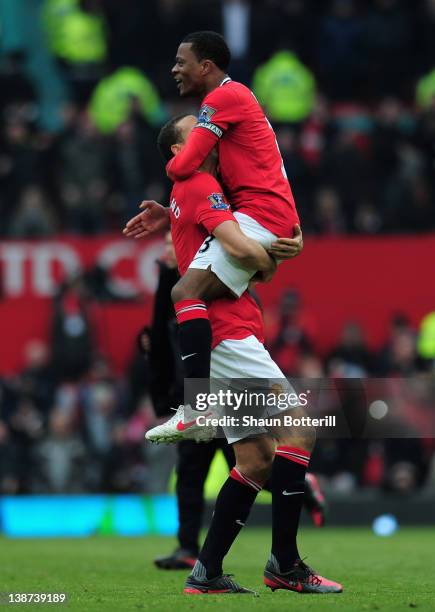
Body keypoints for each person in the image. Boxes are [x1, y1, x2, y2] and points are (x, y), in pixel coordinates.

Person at [125, 115, 342, 595]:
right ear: (180, 150)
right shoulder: (200, 182)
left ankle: (206, 572)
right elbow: (243, 252)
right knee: (300, 428)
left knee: (255, 461)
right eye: (196, 131)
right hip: (228, 334)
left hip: (224, 337)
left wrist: (289, 241)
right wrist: (277, 258)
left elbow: (247, 232)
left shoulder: (199, 187)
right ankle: (285, 565)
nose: (210, 134)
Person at [124, 31, 303, 424]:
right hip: (263, 216)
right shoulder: (230, 107)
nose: (174, 69)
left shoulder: (222, 98)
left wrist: (171, 169)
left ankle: (196, 406)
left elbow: (184, 165)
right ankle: (199, 405)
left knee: (186, 290)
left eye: (181, 62)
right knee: (259, 458)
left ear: (206, 66)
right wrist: (169, 210)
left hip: (259, 218)